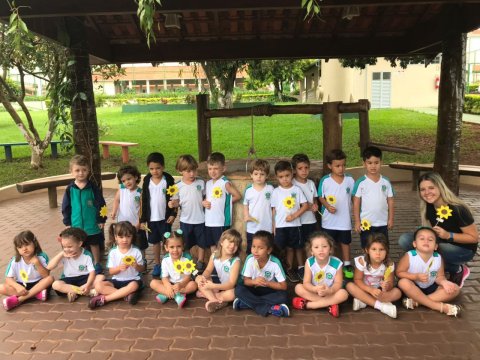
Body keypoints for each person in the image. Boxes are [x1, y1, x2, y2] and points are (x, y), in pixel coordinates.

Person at [398, 172, 478, 288]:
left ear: (440, 187)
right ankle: (428, 265)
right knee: (405, 240)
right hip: (442, 243)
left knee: (434, 250)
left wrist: (448, 235)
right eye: (423, 189)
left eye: (431, 188)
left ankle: (457, 269)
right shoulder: (429, 206)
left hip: (464, 249)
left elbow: (474, 238)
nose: (427, 193)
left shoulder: (458, 209)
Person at [396, 227, 461, 317]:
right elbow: (399, 272)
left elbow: (440, 276)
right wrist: (416, 277)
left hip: (431, 288)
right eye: (422, 239)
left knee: (455, 289)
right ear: (414, 243)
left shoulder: (438, 257)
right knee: (403, 282)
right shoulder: (410, 255)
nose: (426, 241)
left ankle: (417, 302)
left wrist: (444, 282)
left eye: (430, 239)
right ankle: (438, 306)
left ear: (435, 246)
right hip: (413, 287)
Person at [62, 155, 107, 274]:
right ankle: (81, 264)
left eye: (84, 170)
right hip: (76, 224)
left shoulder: (93, 188)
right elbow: (66, 207)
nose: (81, 173)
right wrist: (67, 222)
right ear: (71, 172)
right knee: (78, 245)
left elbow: (101, 204)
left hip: (91, 223)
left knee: (94, 244)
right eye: (77, 170)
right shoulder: (70, 189)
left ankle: (97, 263)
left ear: (88, 171)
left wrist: (101, 219)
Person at [89, 221, 145, 308]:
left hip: (132, 280)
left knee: (134, 286)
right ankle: (125, 295)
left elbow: (142, 269)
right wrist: (119, 268)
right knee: (98, 285)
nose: (124, 240)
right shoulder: (113, 252)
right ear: (116, 237)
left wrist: (136, 266)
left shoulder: (136, 251)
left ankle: (105, 299)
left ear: (132, 237)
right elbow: (111, 271)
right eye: (121, 237)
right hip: (117, 281)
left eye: (128, 236)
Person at [318, 149, 355, 279]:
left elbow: (354, 198)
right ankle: (330, 264)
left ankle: (347, 264)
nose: (341, 168)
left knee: (345, 243)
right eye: (337, 166)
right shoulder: (325, 180)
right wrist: (327, 206)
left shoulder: (350, 180)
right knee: (329, 243)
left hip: (345, 220)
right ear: (330, 166)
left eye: (343, 165)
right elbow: (320, 197)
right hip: (329, 221)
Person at [233, 231, 290, 317]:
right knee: (239, 290)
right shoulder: (250, 259)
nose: (255, 251)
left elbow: (283, 286)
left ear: (269, 250)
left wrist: (266, 283)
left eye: (260, 248)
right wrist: (254, 282)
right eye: (253, 246)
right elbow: (246, 281)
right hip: (254, 289)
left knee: (284, 297)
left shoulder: (275, 263)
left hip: (269, 290)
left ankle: (245, 303)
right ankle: (270, 309)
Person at [292, 231, 348, 317]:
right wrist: (314, 289)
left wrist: (330, 290)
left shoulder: (337, 263)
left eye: (324, 246)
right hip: (314, 292)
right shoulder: (309, 262)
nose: (321, 250)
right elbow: (306, 283)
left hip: (331, 293)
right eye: (316, 247)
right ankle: (329, 305)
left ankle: (308, 305)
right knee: (298, 288)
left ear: (330, 249)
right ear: (311, 251)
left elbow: (338, 283)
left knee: (343, 293)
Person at [345, 233, 401, 318]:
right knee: (349, 286)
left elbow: (390, 284)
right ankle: (382, 306)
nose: (378, 253)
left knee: (397, 292)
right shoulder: (362, 261)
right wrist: (370, 290)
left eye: (381, 249)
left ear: (387, 251)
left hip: (379, 292)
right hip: (364, 289)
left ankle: (364, 301)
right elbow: (357, 280)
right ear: (367, 250)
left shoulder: (389, 264)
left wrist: (386, 286)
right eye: (374, 249)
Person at [140, 152, 177, 277]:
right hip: (152, 219)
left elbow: (174, 198)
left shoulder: (168, 179)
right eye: (151, 168)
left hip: (165, 218)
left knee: (166, 241)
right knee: (155, 242)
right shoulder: (146, 181)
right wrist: (143, 219)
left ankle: (168, 264)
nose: (155, 171)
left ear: (163, 167)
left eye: (158, 168)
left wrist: (173, 214)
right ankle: (157, 264)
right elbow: (144, 200)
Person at [271, 160, 308, 283]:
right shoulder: (275, 192)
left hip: (295, 225)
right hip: (281, 226)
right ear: (277, 177)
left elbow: (305, 205)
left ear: (292, 174)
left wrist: (294, 216)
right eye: (281, 177)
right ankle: (283, 269)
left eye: (287, 176)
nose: (285, 179)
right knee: (280, 248)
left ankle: (294, 268)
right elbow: (274, 211)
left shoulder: (296, 190)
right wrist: (274, 227)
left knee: (295, 247)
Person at [168, 155, 207, 271]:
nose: (192, 174)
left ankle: (200, 261)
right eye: (188, 171)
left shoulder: (201, 182)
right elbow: (176, 202)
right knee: (185, 243)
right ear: (180, 171)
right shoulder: (177, 186)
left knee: (202, 242)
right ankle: (187, 261)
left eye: (194, 170)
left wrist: (205, 202)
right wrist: (173, 204)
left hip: (201, 219)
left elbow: (205, 196)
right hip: (185, 220)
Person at [353, 146, 394, 249]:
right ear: (364, 164)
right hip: (366, 223)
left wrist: (391, 219)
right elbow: (356, 203)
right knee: (367, 247)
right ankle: (366, 264)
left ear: (381, 162)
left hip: (382, 222)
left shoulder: (386, 181)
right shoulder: (361, 182)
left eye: (376, 162)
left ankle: (383, 265)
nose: (373, 166)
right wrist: (357, 221)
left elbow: (391, 201)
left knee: (383, 247)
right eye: (369, 163)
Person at [1, 231, 54, 311]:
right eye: (20, 247)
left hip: (38, 284)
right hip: (22, 286)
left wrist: (37, 263)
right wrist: (17, 286)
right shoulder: (15, 260)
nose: (24, 249)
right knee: (1, 288)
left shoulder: (42, 256)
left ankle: (19, 300)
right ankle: (36, 294)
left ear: (34, 243)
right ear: (17, 249)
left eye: (27, 244)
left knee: (50, 278)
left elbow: (46, 276)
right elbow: (8, 279)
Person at [203, 152, 242, 254]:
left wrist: (226, 202)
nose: (212, 171)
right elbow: (207, 199)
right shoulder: (208, 183)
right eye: (210, 169)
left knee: (222, 245)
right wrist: (204, 203)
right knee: (212, 245)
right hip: (209, 221)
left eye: (216, 168)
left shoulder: (225, 183)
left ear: (223, 168)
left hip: (220, 221)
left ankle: (223, 266)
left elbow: (237, 196)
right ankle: (214, 266)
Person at [196, 229, 242, 312]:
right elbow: (208, 270)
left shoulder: (235, 261)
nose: (232, 246)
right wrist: (202, 278)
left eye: (236, 244)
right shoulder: (214, 255)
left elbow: (231, 284)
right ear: (221, 242)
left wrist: (212, 286)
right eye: (230, 242)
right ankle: (216, 300)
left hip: (230, 288)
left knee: (233, 294)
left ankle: (210, 296)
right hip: (219, 285)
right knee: (199, 280)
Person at [150, 230, 198, 308]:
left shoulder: (187, 259)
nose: (175, 250)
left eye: (178, 246)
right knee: (153, 283)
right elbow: (164, 277)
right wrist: (168, 286)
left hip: (183, 284)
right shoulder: (165, 260)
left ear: (183, 246)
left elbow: (187, 277)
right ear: (166, 248)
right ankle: (173, 295)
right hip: (170, 283)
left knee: (193, 285)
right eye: (172, 247)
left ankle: (169, 294)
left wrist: (180, 285)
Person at [47, 227, 97, 302]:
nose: (67, 249)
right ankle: (85, 292)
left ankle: (73, 291)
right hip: (69, 279)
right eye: (64, 247)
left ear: (80, 244)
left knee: (100, 278)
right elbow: (49, 267)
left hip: (84, 278)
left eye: (70, 247)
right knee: (55, 284)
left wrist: (88, 284)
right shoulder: (64, 254)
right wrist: (61, 254)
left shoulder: (87, 255)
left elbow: (92, 272)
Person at [110, 165, 148, 261]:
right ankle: (124, 260)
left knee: (139, 244)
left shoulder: (140, 192)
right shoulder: (121, 189)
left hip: (136, 224)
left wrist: (139, 223)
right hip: (122, 224)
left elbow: (142, 209)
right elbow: (116, 200)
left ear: (135, 177)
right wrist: (114, 211)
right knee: (123, 243)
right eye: (123, 181)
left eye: (129, 179)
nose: (127, 182)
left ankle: (141, 261)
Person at [292, 153, 319, 281]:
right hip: (298, 221)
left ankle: (310, 266)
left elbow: (314, 199)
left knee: (309, 244)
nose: (304, 171)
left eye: (306, 168)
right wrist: (307, 206)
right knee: (299, 245)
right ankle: (301, 267)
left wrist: (315, 206)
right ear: (294, 170)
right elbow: (292, 204)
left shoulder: (311, 184)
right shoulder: (292, 184)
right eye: (300, 168)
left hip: (311, 220)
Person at [243, 159, 274, 255]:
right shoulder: (248, 190)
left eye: (262, 174)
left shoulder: (270, 189)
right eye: (256, 174)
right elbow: (245, 205)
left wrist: (273, 223)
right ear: (251, 175)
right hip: (252, 227)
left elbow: (274, 207)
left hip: (267, 227)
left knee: (267, 250)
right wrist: (246, 215)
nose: (259, 177)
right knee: (251, 250)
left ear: (267, 175)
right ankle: (250, 268)